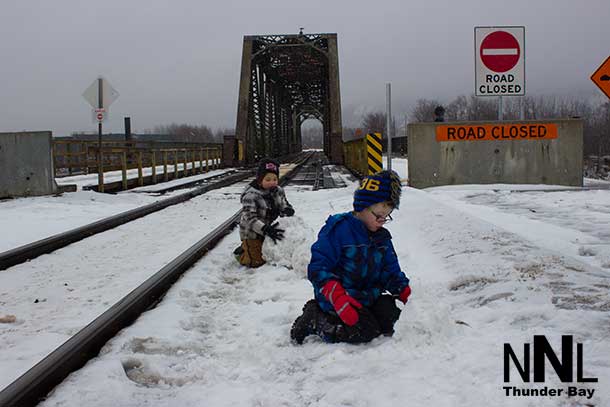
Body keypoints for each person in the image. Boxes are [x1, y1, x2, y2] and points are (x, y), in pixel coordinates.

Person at [290, 170, 411, 344]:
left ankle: (367, 316)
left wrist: (404, 291)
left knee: (392, 318)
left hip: (368, 297)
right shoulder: (339, 230)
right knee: (363, 331)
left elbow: (390, 271)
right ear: (362, 207)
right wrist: (339, 298)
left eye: (386, 217)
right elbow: (319, 269)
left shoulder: (381, 238)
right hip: (338, 299)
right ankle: (315, 317)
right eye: (378, 216)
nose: (382, 221)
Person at [234, 157, 295, 268]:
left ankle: (250, 247)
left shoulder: (278, 191)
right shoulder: (251, 196)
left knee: (276, 251)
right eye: (268, 180)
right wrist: (265, 229)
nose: (272, 183)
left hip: (272, 228)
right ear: (259, 180)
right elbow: (250, 219)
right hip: (253, 232)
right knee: (257, 261)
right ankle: (241, 253)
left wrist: (287, 209)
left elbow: (283, 204)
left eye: (275, 179)